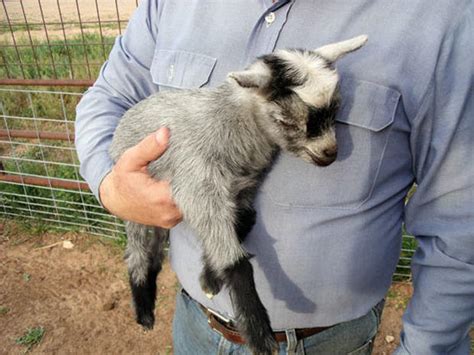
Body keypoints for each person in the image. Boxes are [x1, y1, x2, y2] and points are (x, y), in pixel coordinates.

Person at [75, 1, 474, 354]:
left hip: (330, 342)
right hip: (196, 323)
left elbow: (460, 219)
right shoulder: (169, 5)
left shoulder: (443, 17)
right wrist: (109, 184)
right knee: (143, 243)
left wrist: (429, 347)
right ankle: (143, 292)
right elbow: (110, 93)